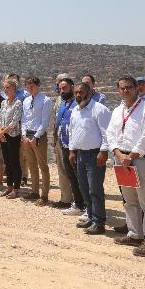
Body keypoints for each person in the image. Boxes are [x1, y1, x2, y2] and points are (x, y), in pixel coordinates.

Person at [107, 76, 145, 257]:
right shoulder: (118, 110)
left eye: (129, 87)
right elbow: (110, 134)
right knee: (129, 200)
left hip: (140, 159)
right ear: (118, 90)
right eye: (122, 88)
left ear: (137, 88)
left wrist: (130, 156)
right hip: (122, 159)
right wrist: (119, 154)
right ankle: (135, 234)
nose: (125, 91)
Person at [68, 81, 112, 234]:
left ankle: (99, 223)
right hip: (80, 154)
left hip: (95, 155)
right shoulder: (75, 110)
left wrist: (103, 151)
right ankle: (91, 217)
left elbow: (107, 133)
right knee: (84, 188)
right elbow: (72, 131)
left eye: (81, 92)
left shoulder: (99, 109)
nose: (78, 95)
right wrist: (72, 150)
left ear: (90, 93)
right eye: (76, 93)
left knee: (95, 189)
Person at [53, 76, 86, 213]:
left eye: (65, 88)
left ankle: (85, 206)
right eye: (60, 89)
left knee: (80, 177)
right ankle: (78, 204)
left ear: (72, 88)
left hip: (75, 147)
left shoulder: (78, 104)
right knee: (71, 176)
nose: (62, 91)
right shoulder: (63, 104)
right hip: (64, 145)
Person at [20, 77, 51, 203]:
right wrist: (24, 135)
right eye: (27, 86)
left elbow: (45, 121)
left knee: (43, 166)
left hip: (39, 136)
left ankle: (44, 195)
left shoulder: (45, 100)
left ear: (38, 85)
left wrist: (36, 136)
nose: (29, 88)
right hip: (27, 135)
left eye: (31, 86)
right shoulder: (26, 100)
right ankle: (34, 192)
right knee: (32, 165)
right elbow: (24, 119)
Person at [0, 75, 23, 198]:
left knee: (14, 162)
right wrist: (0, 131)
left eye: (8, 87)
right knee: (7, 162)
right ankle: (9, 187)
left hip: (13, 136)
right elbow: (0, 118)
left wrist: (2, 132)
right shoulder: (3, 103)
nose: (6, 90)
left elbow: (15, 121)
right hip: (3, 135)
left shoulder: (18, 103)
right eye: (5, 88)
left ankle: (16, 189)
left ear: (14, 89)